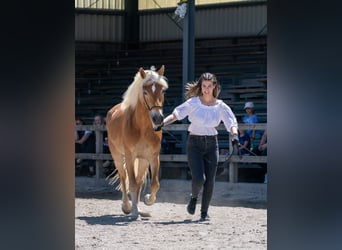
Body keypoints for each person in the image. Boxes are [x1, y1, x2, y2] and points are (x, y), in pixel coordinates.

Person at [161, 72, 239, 221]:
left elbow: (231, 123)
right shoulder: (193, 103)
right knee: (199, 179)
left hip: (211, 145)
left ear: (214, 86)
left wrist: (234, 136)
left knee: (210, 180)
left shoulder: (221, 106)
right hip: (194, 144)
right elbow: (176, 114)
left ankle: (204, 212)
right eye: (204, 86)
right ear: (201, 86)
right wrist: (162, 123)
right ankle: (194, 197)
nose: (207, 89)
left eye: (209, 86)